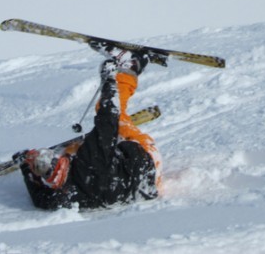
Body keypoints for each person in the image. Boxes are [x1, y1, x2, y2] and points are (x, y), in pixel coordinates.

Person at [13, 49, 161, 210]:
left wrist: (26, 168)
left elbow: (39, 199)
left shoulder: (64, 197)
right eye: (52, 156)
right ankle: (131, 65)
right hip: (147, 160)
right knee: (111, 118)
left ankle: (96, 147)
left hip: (143, 188)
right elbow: (108, 117)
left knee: (100, 153)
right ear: (59, 162)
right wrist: (110, 78)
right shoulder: (88, 160)